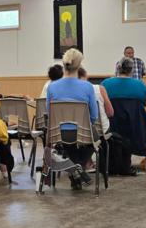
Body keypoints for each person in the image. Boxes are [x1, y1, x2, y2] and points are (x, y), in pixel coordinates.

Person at [46, 49, 98, 189]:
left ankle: (74, 170)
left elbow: (49, 113)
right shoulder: (87, 86)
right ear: (79, 66)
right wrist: (85, 126)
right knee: (95, 137)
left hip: (58, 134)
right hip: (82, 132)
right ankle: (78, 167)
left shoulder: (52, 87)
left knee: (68, 141)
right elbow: (94, 115)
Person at [78, 67, 114, 133]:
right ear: (85, 74)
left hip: (79, 131)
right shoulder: (100, 89)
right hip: (101, 129)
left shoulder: (72, 93)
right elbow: (110, 112)